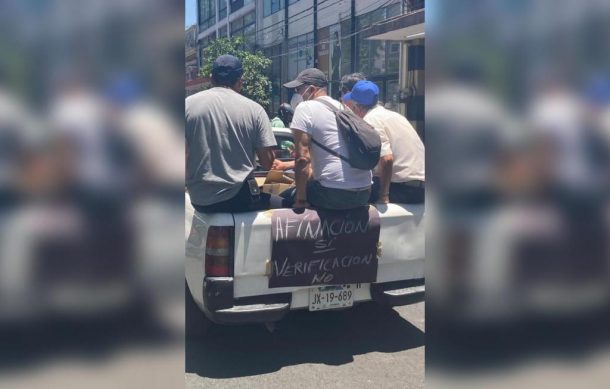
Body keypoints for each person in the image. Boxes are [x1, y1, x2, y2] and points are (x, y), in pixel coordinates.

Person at [185, 54, 277, 213]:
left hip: (199, 200)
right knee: (284, 201)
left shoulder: (186, 105)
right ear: (240, 81)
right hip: (240, 199)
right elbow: (268, 163)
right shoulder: (255, 109)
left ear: (211, 79)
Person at [280, 68, 372, 210]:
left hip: (333, 193)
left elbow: (302, 159)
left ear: (311, 89)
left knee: (282, 197)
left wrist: (301, 200)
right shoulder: (342, 107)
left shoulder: (305, 108)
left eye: (298, 89)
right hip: (365, 192)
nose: (297, 94)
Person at [346, 80, 425, 204]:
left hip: (403, 188)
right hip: (421, 187)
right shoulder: (395, 116)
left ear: (358, 107)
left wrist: (383, 196)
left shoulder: (370, 120)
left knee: (351, 195)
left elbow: (387, 159)